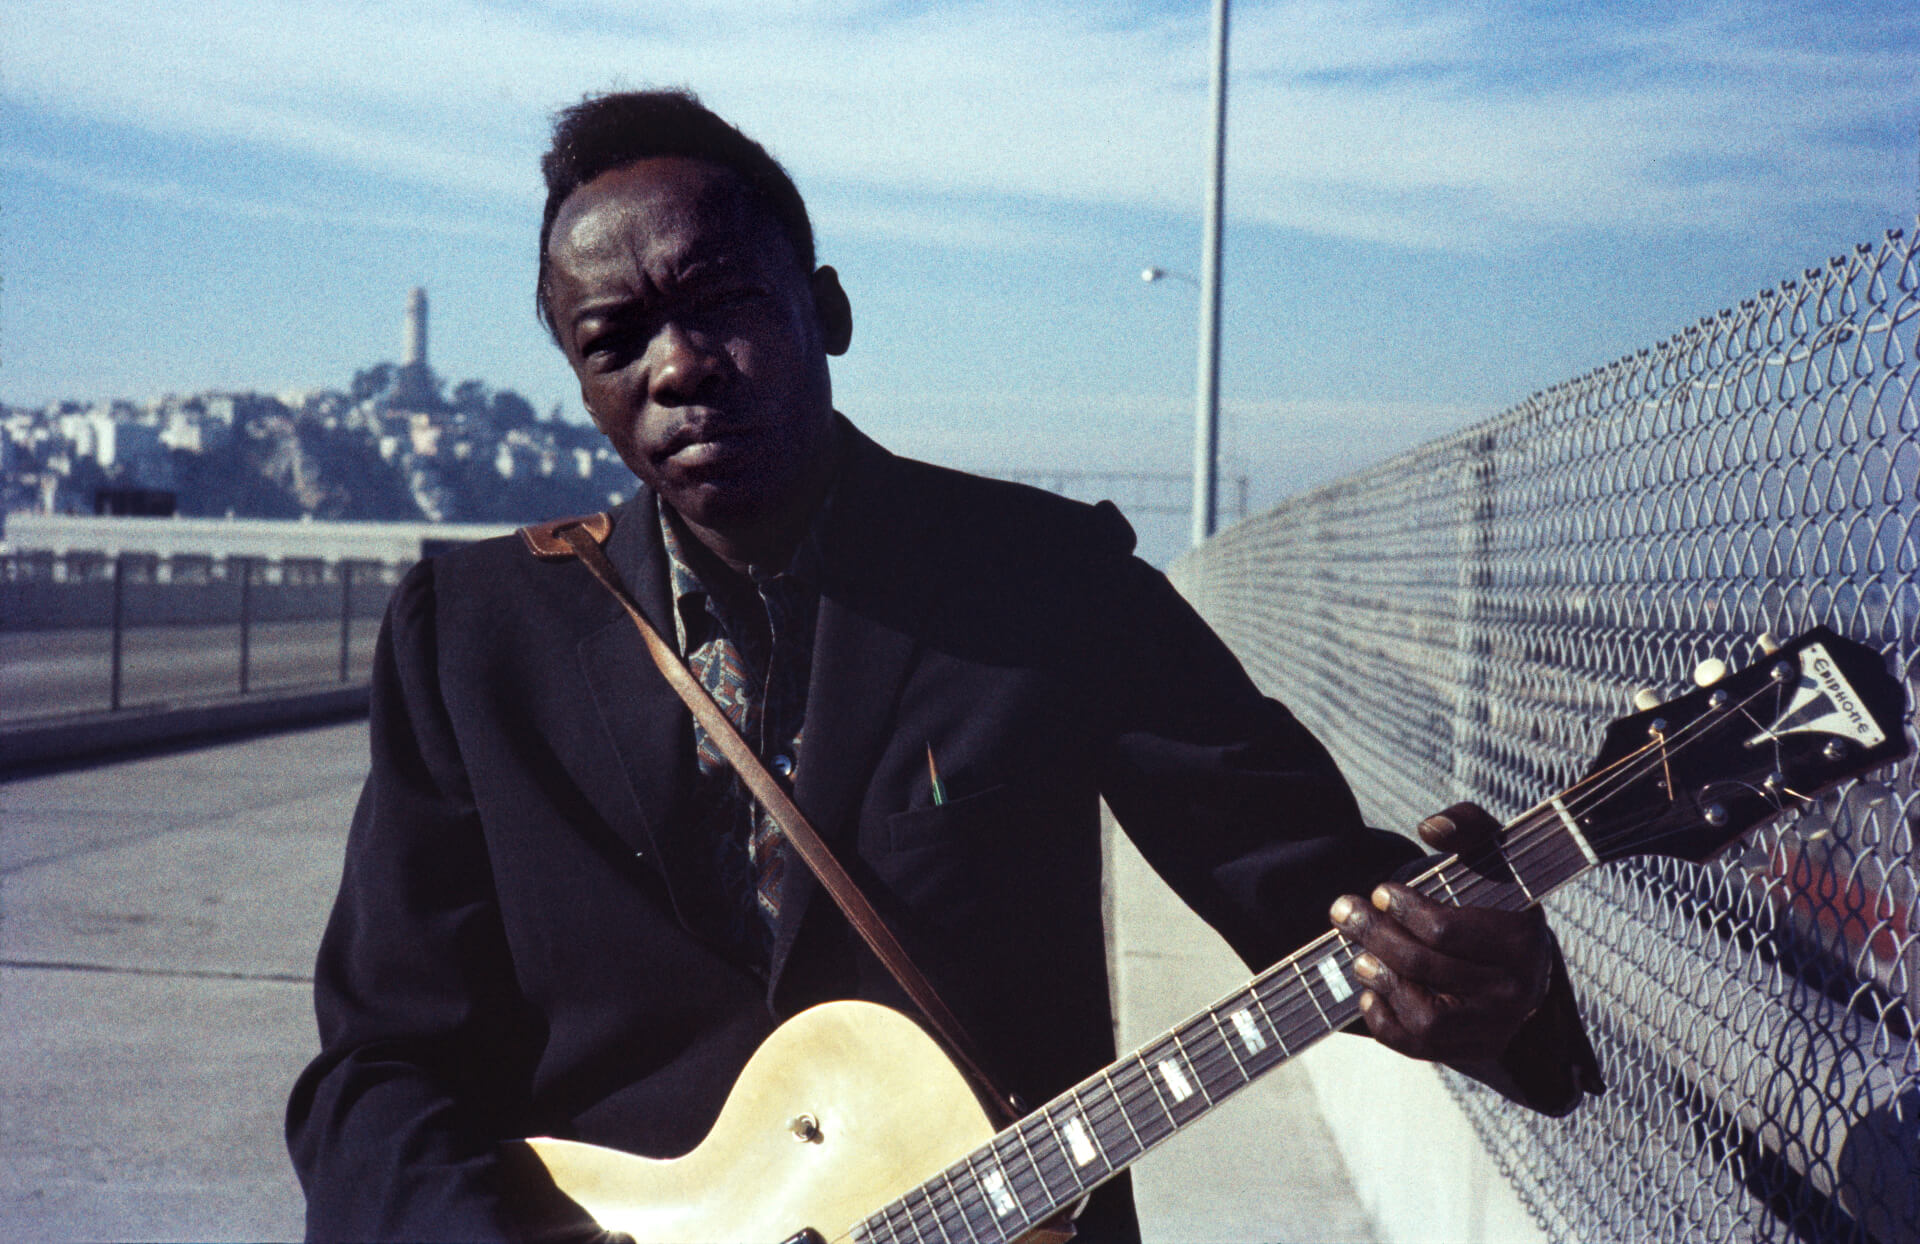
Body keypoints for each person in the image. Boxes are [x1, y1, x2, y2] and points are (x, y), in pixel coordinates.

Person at [287, 89, 1601, 1242]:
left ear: (827, 307)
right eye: (616, 341)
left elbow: (1312, 883)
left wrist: (1491, 982)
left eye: (723, 304)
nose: (679, 368)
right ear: (579, 380)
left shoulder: (1045, 582)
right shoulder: (472, 635)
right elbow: (383, 1066)